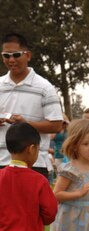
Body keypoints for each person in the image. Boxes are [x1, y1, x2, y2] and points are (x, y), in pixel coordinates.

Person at [0, 33, 63, 177]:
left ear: (28, 55)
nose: (11, 60)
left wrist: (26, 124)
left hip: (34, 164)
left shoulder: (45, 88)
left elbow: (57, 125)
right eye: (6, 55)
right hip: (1, 162)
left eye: (16, 55)